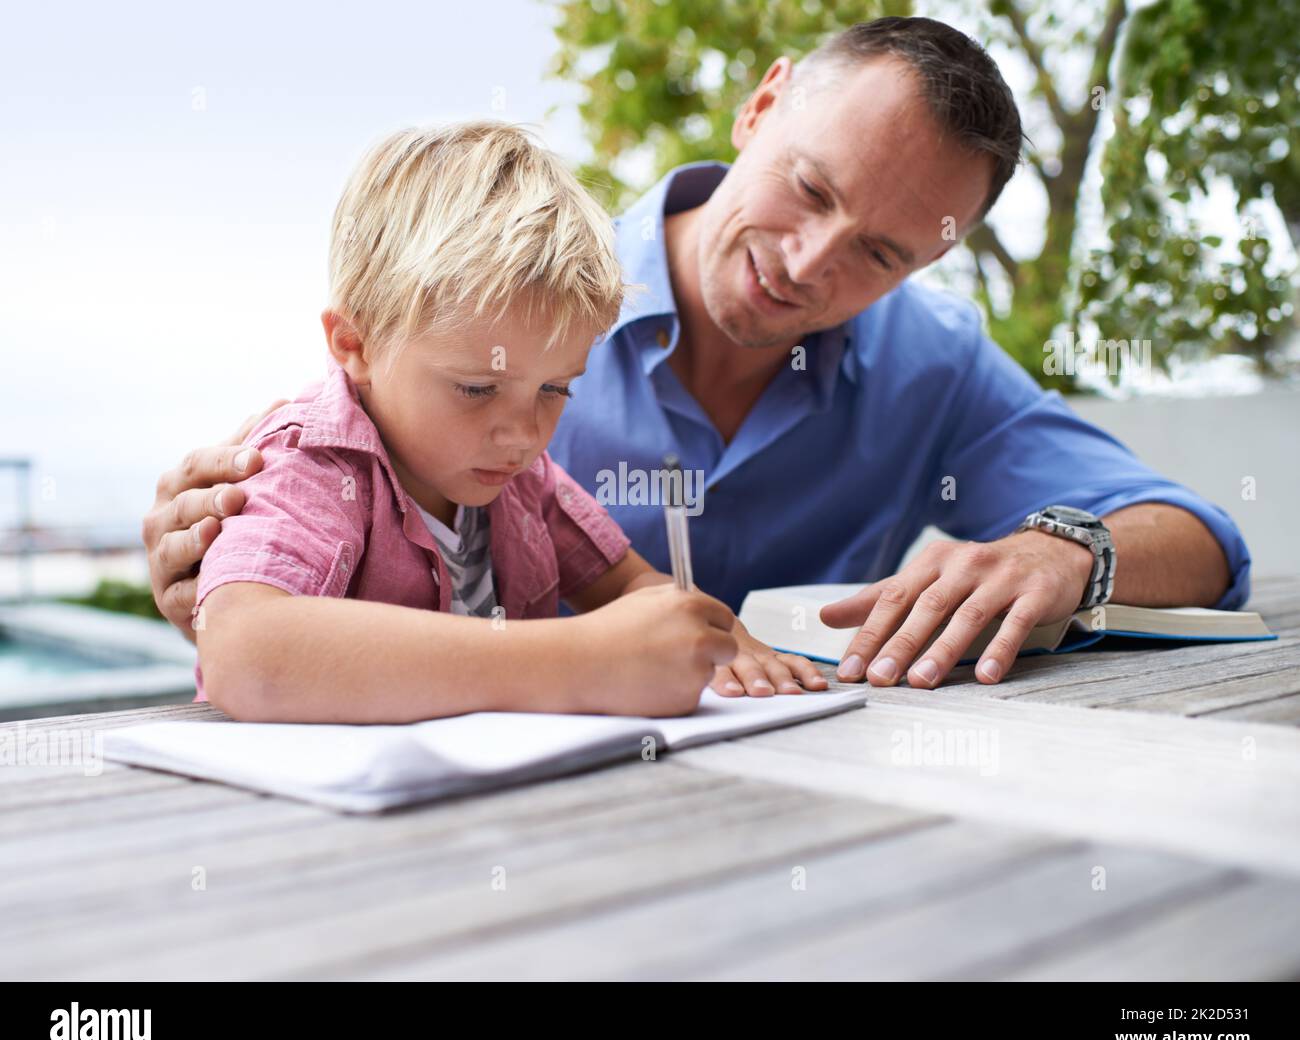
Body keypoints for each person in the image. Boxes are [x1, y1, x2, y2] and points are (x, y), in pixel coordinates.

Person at [144, 17, 1250, 695]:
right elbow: (273, 590)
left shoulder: (936, 367)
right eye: (809, 188)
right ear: (760, 105)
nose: (810, 263)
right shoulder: (505, 291)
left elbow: (1200, 539)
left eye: (877, 253)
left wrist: (1063, 555)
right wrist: (220, 561)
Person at [187, 120, 828, 724]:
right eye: (476, 387)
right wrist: (581, 661)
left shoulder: (522, 481)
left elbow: (629, 581)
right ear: (354, 342)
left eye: (555, 388)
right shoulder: (317, 465)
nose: (523, 435)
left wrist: (716, 638)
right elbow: (242, 650)